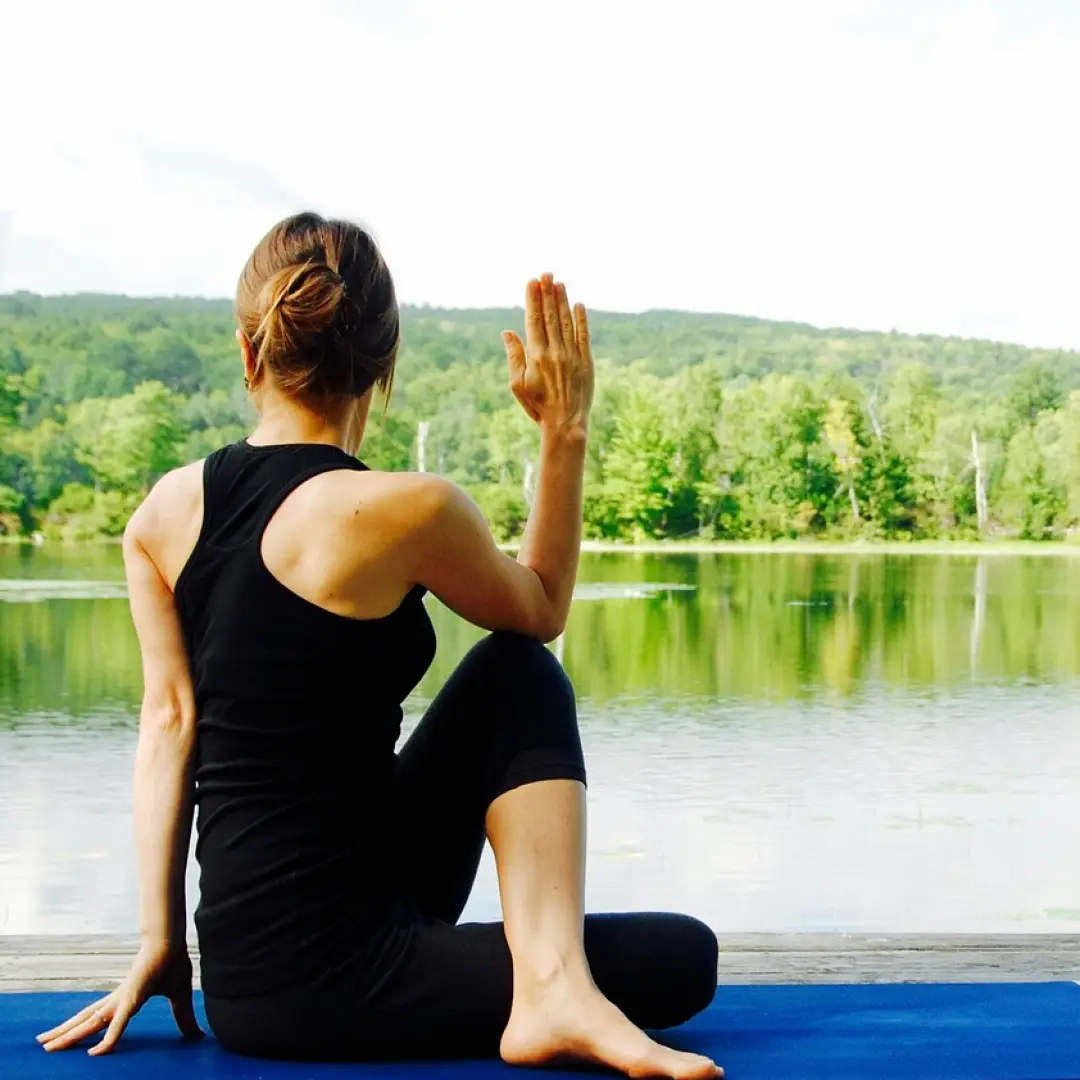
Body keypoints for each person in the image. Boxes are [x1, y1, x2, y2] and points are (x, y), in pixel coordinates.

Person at [37, 213, 722, 1078]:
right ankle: (551, 985)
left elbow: (169, 728)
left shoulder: (160, 517)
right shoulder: (410, 510)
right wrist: (564, 431)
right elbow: (542, 607)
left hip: (246, 982)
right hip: (334, 981)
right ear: (384, 366)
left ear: (251, 354)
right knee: (679, 954)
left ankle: (550, 982)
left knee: (510, 675)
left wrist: (162, 941)